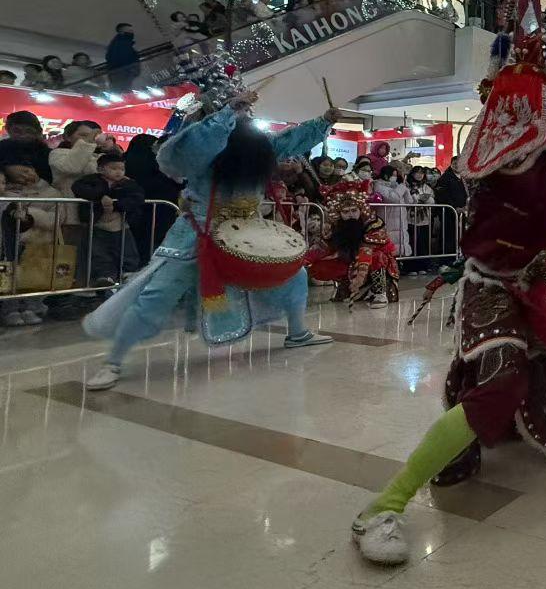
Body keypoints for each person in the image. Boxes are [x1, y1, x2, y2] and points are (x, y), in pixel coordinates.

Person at [348, 29, 546, 565]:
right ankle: (383, 506)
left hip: (527, 276)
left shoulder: (500, 152)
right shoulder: (518, 166)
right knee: (501, 383)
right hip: (491, 287)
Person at [80, 73, 339, 391]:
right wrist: (228, 113)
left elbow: (289, 142)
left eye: (245, 112)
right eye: (237, 111)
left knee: (294, 275)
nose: (245, 116)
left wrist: (324, 121)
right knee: (157, 295)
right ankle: (113, 361)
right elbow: (194, 148)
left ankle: (297, 333)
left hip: (247, 230)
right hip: (196, 232)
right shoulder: (203, 146)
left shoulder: (259, 146)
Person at [304, 182, 399, 308]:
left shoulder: (373, 223)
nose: (350, 215)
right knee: (319, 266)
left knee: (378, 256)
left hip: (373, 263)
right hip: (351, 262)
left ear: (361, 209)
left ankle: (380, 293)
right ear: (339, 213)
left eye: (354, 210)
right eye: (345, 212)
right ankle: (348, 287)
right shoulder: (336, 226)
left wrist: (359, 278)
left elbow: (367, 251)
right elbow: (322, 248)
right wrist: (302, 262)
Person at [1, 158, 63, 325]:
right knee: (9, 276)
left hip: (37, 243)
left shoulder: (51, 193)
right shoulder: (7, 196)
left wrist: (30, 215)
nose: (26, 176)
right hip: (11, 244)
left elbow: (55, 219)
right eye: (20, 173)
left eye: (28, 171)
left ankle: (32, 306)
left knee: (33, 277)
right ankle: (10, 309)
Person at [71, 152, 144, 284]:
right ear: (100, 169)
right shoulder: (90, 180)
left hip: (121, 225)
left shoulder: (128, 184)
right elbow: (77, 188)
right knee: (99, 252)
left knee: (127, 250)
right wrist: (101, 196)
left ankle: (128, 273)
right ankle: (105, 275)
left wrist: (116, 205)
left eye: (122, 169)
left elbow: (137, 198)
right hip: (97, 224)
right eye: (114, 168)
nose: (119, 172)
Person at [0, 110, 52, 183]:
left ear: (37, 133)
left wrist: (38, 180)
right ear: (8, 130)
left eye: (29, 131)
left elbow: (53, 181)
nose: (23, 135)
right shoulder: (2, 147)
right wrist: (6, 169)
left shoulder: (48, 153)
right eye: (17, 131)